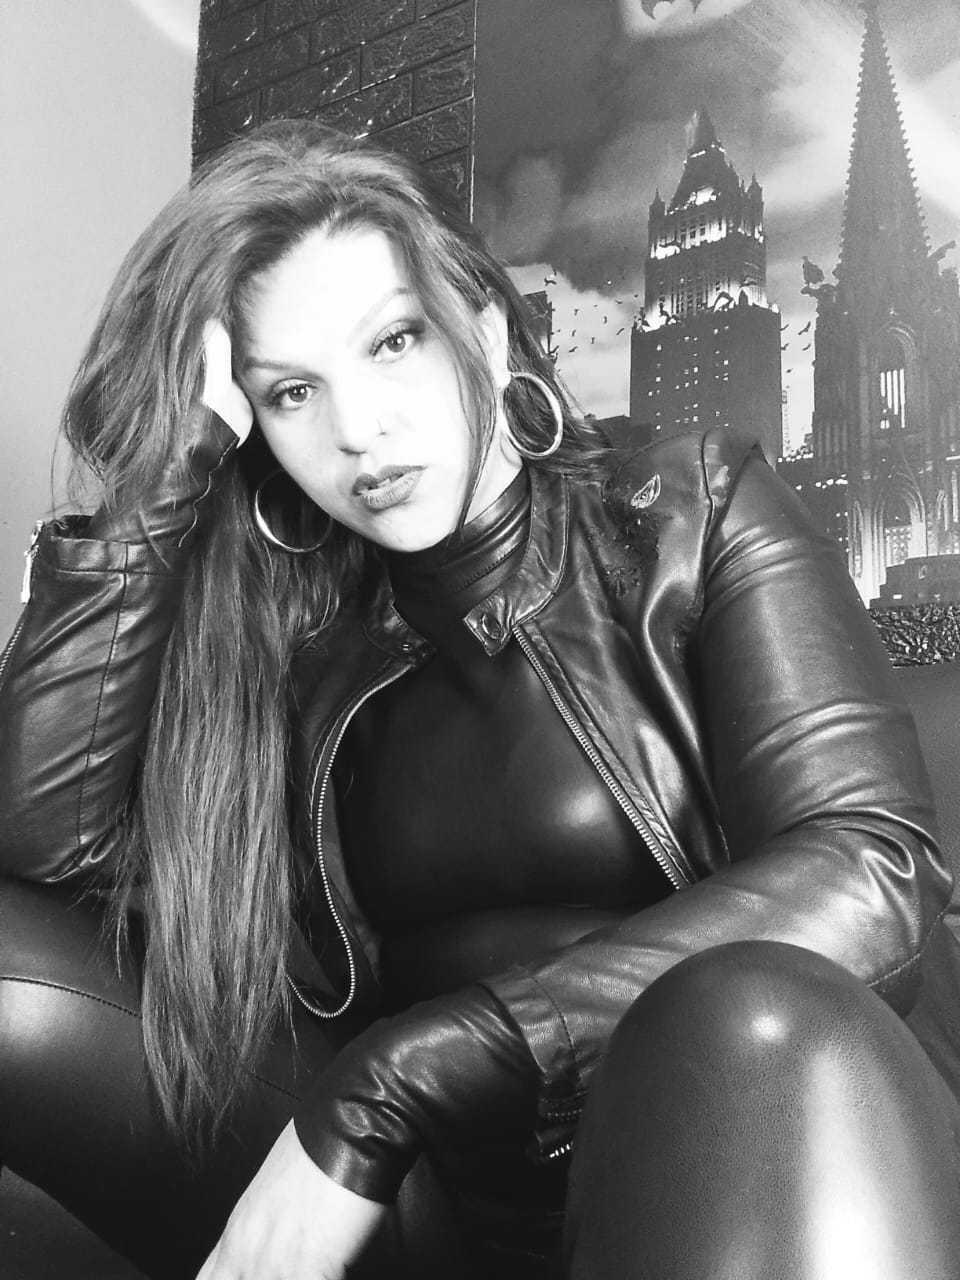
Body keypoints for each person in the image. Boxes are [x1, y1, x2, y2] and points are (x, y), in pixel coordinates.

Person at [2, 118, 960, 1280]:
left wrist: (397, 1080)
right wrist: (160, 481)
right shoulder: (298, 656)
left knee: (748, 1012)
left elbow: (874, 870)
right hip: (439, 1216)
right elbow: (44, 855)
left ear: (488, 331)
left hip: (731, 1159)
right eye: (292, 391)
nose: (359, 430)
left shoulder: (691, 515)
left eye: (394, 341)